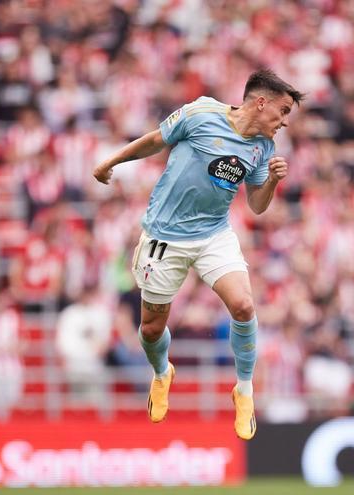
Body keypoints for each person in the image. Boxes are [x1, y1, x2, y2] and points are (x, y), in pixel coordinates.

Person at [93, 69, 304, 440]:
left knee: (243, 306)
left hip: (213, 234)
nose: (285, 121)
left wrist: (271, 180)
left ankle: (244, 390)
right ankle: (162, 374)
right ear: (260, 102)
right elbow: (156, 141)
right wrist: (111, 162)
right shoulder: (201, 114)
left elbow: (256, 205)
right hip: (164, 236)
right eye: (283, 111)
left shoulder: (263, 148)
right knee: (152, 328)